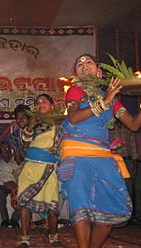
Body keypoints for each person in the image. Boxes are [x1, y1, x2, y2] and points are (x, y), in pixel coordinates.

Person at [59, 54, 141, 248]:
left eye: (88, 62)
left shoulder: (111, 98)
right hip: (77, 155)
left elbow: (133, 125)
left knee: (107, 217)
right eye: (79, 63)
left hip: (103, 158)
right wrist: (105, 101)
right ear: (76, 73)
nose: (84, 65)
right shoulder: (75, 91)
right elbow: (73, 118)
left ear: (99, 71)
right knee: (82, 210)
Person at [18, 94, 62, 248]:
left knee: (52, 208)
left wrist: (57, 150)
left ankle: (53, 237)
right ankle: (24, 238)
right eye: (38, 102)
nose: (40, 104)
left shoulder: (59, 124)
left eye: (44, 102)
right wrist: (30, 126)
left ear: (52, 105)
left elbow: (64, 145)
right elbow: (24, 145)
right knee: (24, 203)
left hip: (49, 169)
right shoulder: (32, 123)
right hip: (30, 167)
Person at [0, 141, 20, 228]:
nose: (5, 151)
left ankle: (14, 219)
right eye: (3, 149)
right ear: (0, 152)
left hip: (15, 186)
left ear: (11, 151)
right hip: (2, 185)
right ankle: (5, 219)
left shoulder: (16, 164)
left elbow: (21, 177)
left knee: (25, 194)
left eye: (7, 149)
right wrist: (4, 183)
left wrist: (16, 185)